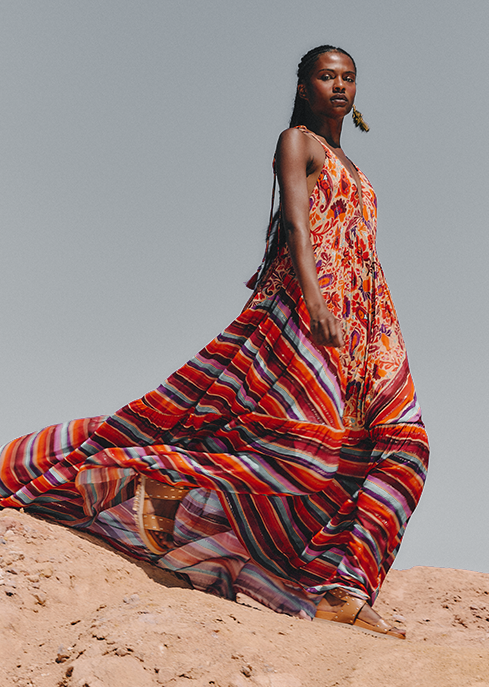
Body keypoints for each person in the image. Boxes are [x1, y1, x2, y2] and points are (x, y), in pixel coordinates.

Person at [0, 45, 429, 638]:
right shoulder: (296, 141)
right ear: (304, 86)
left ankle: (345, 586)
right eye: (326, 76)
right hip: (307, 318)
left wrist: (365, 324)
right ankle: (132, 476)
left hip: (370, 328)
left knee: (407, 448)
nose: (339, 86)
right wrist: (316, 302)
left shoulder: (358, 171)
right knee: (307, 457)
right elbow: (298, 228)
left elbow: (363, 250)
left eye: (348, 77)